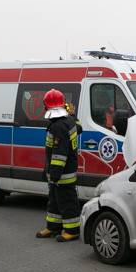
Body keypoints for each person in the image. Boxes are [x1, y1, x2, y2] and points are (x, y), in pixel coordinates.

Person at [35, 89, 81, 243]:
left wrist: (54, 174)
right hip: (60, 172)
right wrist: (47, 170)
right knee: (54, 201)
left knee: (67, 202)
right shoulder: (68, 121)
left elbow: (59, 155)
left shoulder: (58, 126)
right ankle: (53, 227)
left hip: (63, 174)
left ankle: (72, 230)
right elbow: (78, 127)